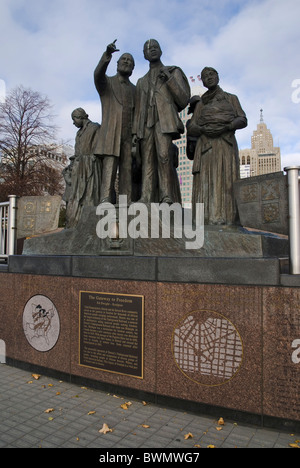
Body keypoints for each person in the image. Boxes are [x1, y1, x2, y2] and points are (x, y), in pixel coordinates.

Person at [187, 67, 247, 225]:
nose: (209, 77)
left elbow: (242, 119)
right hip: (206, 147)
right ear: (203, 81)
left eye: (211, 74)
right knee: (207, 182)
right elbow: (191, 126)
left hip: (225, 145)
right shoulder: (200, 105)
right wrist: (203, 129)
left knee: (225, 180)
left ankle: (228, 219)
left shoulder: (231, 98)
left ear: (218, 76)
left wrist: (227, 126)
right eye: (205, 76)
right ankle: (205, 219)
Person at [132, 39, 190, 204]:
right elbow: (137, 110)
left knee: (164, 156)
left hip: (163, 121)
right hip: (145, 124)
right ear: (144, 54)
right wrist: (136, 132)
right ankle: (146, 196)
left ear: (161, 50)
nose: (152, 50)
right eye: (149, 49)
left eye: (156, 47)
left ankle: (166, 196)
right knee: (147, 160)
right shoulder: (141, 82)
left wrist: (170, 80)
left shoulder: (173, 71)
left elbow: (183, 99)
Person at [94, 40, 136, 204]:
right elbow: (97, 75)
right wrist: (107, 55)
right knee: (109, 167)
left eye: (130, 61)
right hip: (112, 133)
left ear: (133, 69)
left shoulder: (135, 89)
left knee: (127, 169)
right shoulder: (107, 83)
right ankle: (105, 198)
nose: (126, 62)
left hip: (128, 134)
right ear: (117, 64)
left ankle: (125, 200)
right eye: (124, 60)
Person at [65, 108, 101, 228]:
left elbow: (98, 149)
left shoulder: (94, 128)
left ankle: (88, 223)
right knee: (74, 196)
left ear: (80, 117)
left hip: (90, 166)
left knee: (89, 194)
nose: (73, 123)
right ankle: (75, 222)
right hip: (78, 167)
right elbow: (77, 151)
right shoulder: (78, 133)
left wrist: (90, 159)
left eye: (74, 119)